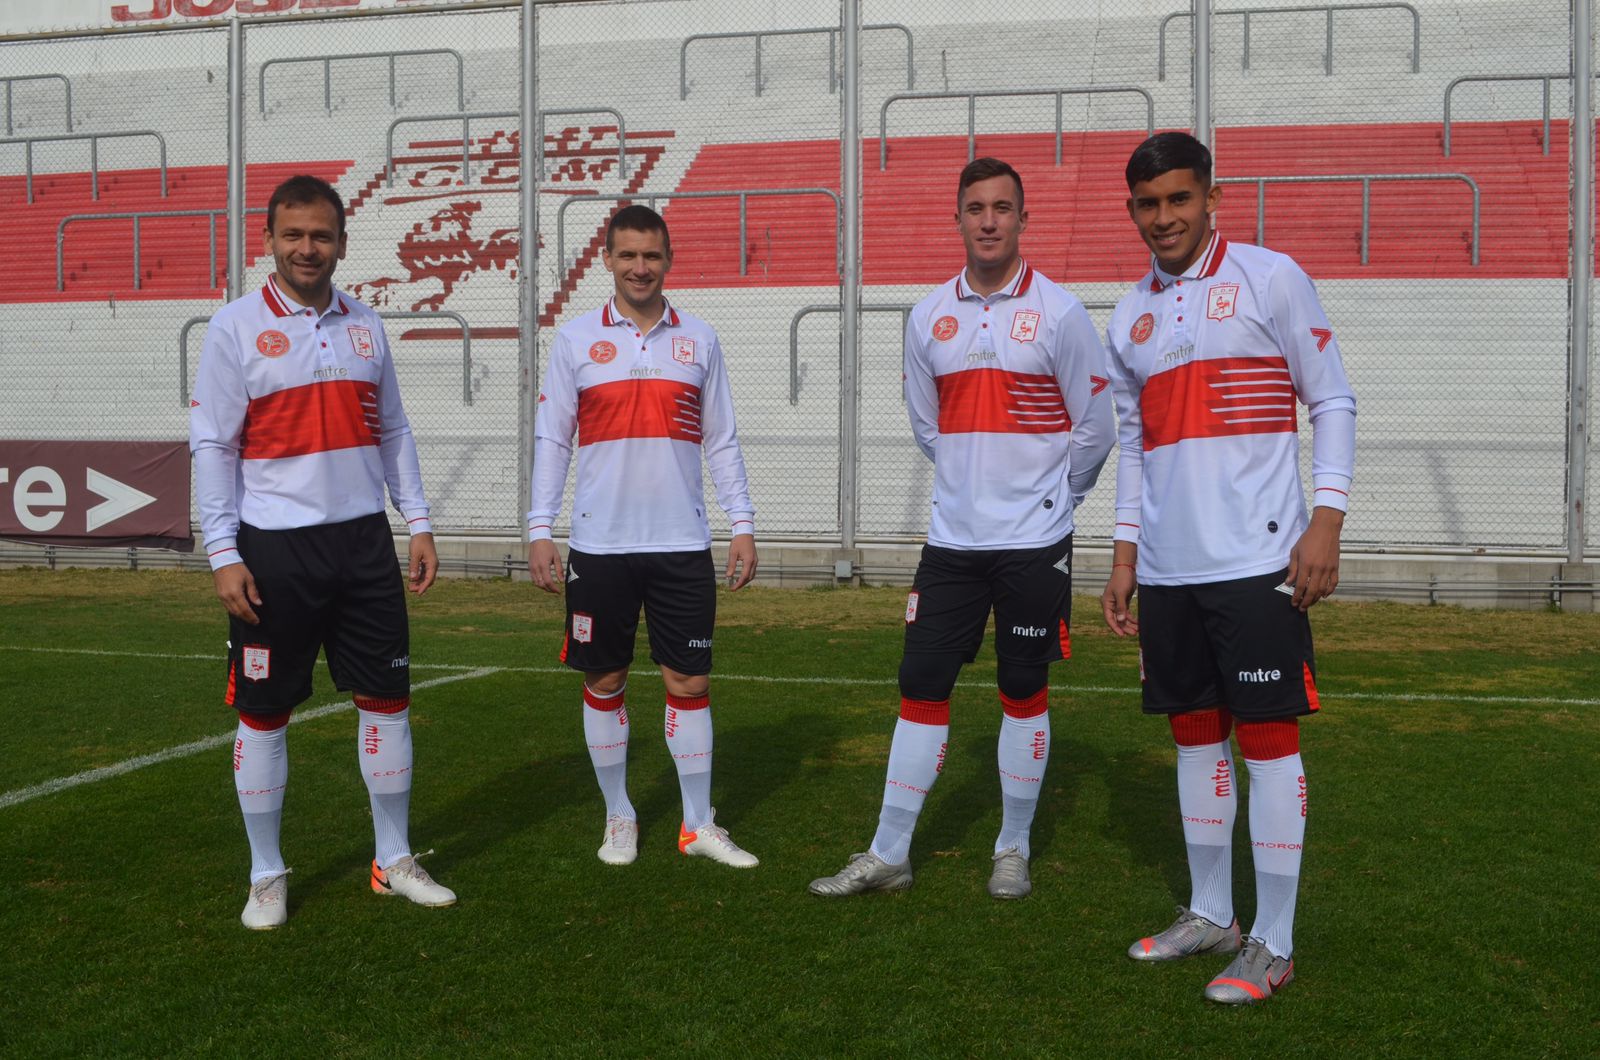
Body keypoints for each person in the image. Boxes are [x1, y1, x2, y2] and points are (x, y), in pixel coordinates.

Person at [809, 158, 1114, 901]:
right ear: (958, 219)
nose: (988, 220)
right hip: (952, 542)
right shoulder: (926, 317)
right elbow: (928, 426)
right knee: (921, 683)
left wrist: (1055, 501)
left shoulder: (1061, 312)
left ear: (1023, 219)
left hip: (1034, 543)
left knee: (1022, 684)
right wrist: (971, 485)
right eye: (975, 208)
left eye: (1002, 208)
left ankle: (1012, 848)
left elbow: (1097, 428)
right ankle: (889, 853)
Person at [1101, 132, 1356, 1004]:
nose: (1164, 217)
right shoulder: (1128, 316)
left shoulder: (1270, 277)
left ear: (1211, 198)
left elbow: (1332, 396)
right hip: (1171, 569)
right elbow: (1135, 445)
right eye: (1148, 204)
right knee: (1193, 738)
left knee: (1268, 743)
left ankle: (1274, 943)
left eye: (1179, 198)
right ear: (1132, 210)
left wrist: (1326, 519)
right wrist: (1126, 553)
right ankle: (1212, 914)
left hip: (1258, 561)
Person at [190, 174, 455, 930]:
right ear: (269, 240)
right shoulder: (234, 328)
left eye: (321, 235)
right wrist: (222, 552)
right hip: (274, 550)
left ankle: (392, 859)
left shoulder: (365, 324)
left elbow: (393, 428)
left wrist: (418, 520)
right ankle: (265, 874)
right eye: (294, 234)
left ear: (341, 243)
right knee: (265, 712)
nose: (307, 248)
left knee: (387, 702)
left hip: (364, 544)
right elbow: (212, 444)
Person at [528, 204, 760, 869]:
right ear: (606, 259)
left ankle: (697, 824)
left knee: (688, 680)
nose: (639, 267)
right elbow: (553, 439)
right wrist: (540, 528)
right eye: (627, 255)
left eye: (651, 255)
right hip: (600, 545)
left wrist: (742, 523)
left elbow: (721, 440)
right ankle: (620, 814)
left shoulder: (700, 340)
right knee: (605, 677)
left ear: (668, 260)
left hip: (681, 543)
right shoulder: (575, 340)